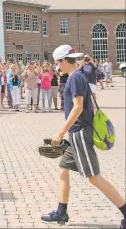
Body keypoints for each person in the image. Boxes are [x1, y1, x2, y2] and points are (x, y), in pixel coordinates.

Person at [42, 45, 126, 229]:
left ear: (64, 60)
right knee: (63, 169)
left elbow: (78, 107)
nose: (56, 66)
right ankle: (61, 212)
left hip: (79, 133)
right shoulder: (75, 77)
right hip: (76, 134)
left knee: (94, 177)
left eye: (57, 63)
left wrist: (61, 131)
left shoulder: (76, 78)